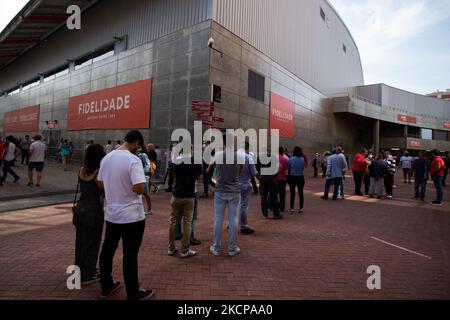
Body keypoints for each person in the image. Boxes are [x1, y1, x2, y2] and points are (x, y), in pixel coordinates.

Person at [97, 130, 154, 300]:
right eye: (139, 146)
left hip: (112, 214)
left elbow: (100, 184)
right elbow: (140, 188)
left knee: (107, 250)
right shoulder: (132, 159)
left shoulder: (107, 158)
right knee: (130, 254)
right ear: (136, 142)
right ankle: (133, 291)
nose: (139, 149)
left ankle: (106, 286)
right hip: (131, 216)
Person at [73, 144, 106, 285]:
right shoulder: (99, 173)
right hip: (94, 211)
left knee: (80, 242)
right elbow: (104, 191)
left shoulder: (81, 170)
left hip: (80, 209)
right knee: (92, 243)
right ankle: (89, 274)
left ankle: (79, 271)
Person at [210, 134, 243, 257]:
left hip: (220, 190)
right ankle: (232, 248)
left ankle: (216, 247)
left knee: (218, 218)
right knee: (233, 219)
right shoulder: (238, 156)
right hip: (234, 190)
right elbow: (240, 170)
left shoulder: (218, 156)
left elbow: (216, 171)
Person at [168, 147, 202, 258]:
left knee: (173, 220)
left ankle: (171, 247)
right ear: (190, 151)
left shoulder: (175, 161)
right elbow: (198, 177)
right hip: (189, 195)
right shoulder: (195, 162)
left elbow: (174, 176)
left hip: (176, 194)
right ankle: (185, 250)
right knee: (187, 222)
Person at [238, 142, 257, 234]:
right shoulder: (248, 157)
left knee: (233, 205)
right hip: (244, 184)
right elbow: (253, 173)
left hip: (233, 184)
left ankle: (232, 224)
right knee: (243, 206)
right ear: (247, 148)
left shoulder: (233, 156)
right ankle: (244, 226)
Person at [259, 152, 282, 219]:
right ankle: (276, 214)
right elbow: (280, 167)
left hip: (263, 178)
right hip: (271, 178)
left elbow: (257, 169)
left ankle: (265, 214)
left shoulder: (260, 159)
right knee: (274, 196)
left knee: (263, 197)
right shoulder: (273, 158)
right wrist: (276, 175)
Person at [287, 146, 306, 213]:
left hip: (292, 177)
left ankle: (292, 208)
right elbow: (303, 168)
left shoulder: (291, 159)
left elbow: (288, 168)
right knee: (301, 193)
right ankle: (301, 208)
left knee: (292, 193)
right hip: (300, 177)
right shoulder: (302, 159)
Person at [137, 145, 152, 216]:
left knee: (145, 193)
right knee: (140, 193)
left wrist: (142, 172)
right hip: (139, 176)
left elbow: (147, 165)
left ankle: (149, 210)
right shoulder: (136, 154)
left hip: (144, 176)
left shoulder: (143, 155)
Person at [277, 146, 289, 213]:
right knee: (282, 193)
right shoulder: (286, 159)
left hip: (275, 178)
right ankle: (282, 207)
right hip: (283, 178)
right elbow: (287, 169)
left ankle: (273, 206)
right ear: (283, 151)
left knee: (274, 193)